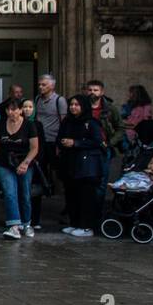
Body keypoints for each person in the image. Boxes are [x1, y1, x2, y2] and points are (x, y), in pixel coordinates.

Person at [0, 97, 40, 240]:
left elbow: (34, 148)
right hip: (4, 162)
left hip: (24, 161)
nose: (11, 112)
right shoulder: (1, 123)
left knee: (24, 194)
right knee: (9, 192)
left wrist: (25, 163)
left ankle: (26, 223)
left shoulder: (29, 125)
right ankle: (14, 225)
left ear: (20, 110)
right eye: (8, 109)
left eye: (14, 109)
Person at [57, 95, 107, 237]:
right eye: (71, 104)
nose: (73, 107)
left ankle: (86, 226)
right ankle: (74, 223)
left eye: (77, 105)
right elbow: (59, 137)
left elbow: (97, 142)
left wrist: (76, 143)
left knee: (86, 197)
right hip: (70, 163)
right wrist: (63, 143)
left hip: (86, 166)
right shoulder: (67, 121)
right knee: (72, 195)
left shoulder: (91, 123)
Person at [34, 73, 67, 198]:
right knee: (40, 166)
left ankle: (59, 193)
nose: (41, 87)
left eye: (44, 85)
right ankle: (44, 191)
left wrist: (60, 142)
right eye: (39, 85)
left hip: (53, 140)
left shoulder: (59, 100)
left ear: (52, 86)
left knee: (56, 169)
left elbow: (63, 122)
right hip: (40, 140)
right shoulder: (37, 99)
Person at [20, 97, 49, 232]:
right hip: (20, 161)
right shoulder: (17, 123)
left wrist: (37, 161)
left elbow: (41, 145)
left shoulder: (38, 125)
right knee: (21, 191)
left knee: (35, 192)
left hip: (35, 163)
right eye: (25, 107)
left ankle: (35, 219)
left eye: (30, 107)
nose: (27, 110)